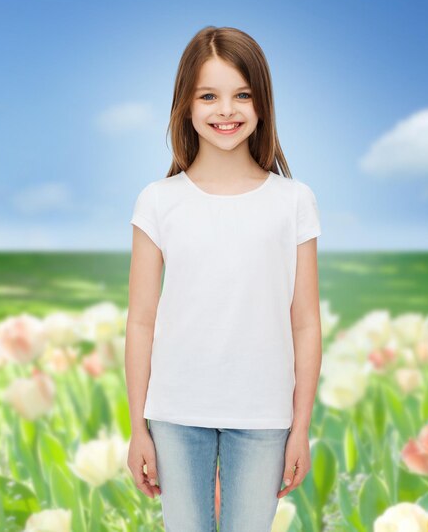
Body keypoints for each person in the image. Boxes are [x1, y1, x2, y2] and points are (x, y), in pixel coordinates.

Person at [124, 26, 322, 532]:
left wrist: (300, 428)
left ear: (261, 105)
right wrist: (137, 429)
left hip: (263, 416)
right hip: (175, 411)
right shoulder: (158, 201)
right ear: (186, 106)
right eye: (208, 96)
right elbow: (141, 321)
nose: (226, 110)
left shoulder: (293, 200)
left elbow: (305, 323)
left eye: (242, 96)